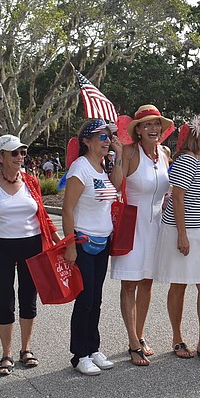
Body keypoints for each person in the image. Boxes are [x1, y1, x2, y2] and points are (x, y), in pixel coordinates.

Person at [0, 135, 61, 376]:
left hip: (32, 245)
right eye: (14, 153)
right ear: (0, 156)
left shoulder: (31, 182)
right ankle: (7, 353)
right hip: (1, 247)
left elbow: (43, 216)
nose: (20, 157)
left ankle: (26, 348)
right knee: (3, 300)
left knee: (28, 297)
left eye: (22, 152)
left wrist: (59, 243)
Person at [155, 114, 200, 363]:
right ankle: (177, 337)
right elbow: (178, 197)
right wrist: (182, 235)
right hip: (181, 229)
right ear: (196, 133)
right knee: (179, 284)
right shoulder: (187, 160)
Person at [110, 104, 173, 366]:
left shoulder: (165, 153)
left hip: (157, 226)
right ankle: (132, 341)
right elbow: (116, 183)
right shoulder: (129, 151)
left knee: (147, 282)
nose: (153, 128)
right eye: (147, 124)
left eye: (157, 123)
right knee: (130, 284)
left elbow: (170, 189)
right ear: (138, 130)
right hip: (132, 225)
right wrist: (118, 156)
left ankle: (140, 334)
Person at [62, 119, 123, 375]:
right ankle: (80, 354)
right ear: (87, 141)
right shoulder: (80, 168)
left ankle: (93, 347)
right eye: (102, 136)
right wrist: (70, 245)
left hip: (103, 240)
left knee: (96, 299)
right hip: (84, 241)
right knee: (85, 299)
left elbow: (118, 185)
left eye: (109, 136)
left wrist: (119, 155)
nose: (107, 140)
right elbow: (67, 209)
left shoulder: (102, 167)